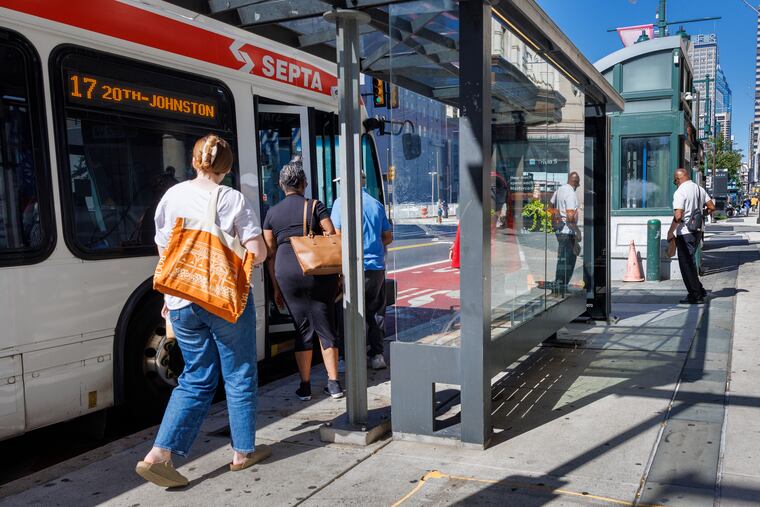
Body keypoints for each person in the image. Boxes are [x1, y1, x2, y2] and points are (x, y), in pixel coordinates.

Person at [136, 134, 269, 488]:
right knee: (239, 374)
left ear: (195, 161)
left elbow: (164, 248)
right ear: (226, 167)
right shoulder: (231, 199)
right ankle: (242, 452)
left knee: (195, 376)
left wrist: (171, 296)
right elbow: (258, 251)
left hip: (180, 301)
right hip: (222, 301)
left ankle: (159, 455)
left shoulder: (172, 196)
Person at [262, 156, 343, 400]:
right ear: (304, 183)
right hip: (316, 271)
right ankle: (334, 384)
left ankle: (305, 386)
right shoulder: (315, 206)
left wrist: (276, 287)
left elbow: (269, 253)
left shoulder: (272, 214)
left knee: (302, 329)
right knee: (325, 326)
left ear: (281, 185)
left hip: (287, 274)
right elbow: (332, 234)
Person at [331, 174, 393, 370]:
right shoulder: (376, 204)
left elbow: (337, 239)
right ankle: (376, 355)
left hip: (350, 269)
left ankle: (345, 358)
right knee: (376, 312)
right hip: (375, 269)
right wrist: (371, 246)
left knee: (345, 313)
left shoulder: (340, 204)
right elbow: (388, 237)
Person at [667, 168, 714, 304]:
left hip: (685, 232)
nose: (675, 183)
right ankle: (699, 290)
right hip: (698, 230)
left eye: (675, 180)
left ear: (678, 179)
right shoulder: (699, 189)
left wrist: (671, 231)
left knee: (686, 265)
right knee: (690, 262)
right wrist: (699, 216)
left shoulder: (680, 191)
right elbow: (711, 207)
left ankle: (695, 295)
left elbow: (678, 215)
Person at [550, 171, 581, 292]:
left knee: (564, 257)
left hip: (560, 229)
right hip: (567, 230)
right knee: (568, 260)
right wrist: (578, 232)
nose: (578, 186)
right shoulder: (571, 194)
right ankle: (561, 286)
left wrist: (556, 217)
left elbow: (550, 205)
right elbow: (570, 216)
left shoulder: (560, 189)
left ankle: (560, 285)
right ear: (576, 183)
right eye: (578, 183)